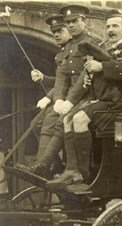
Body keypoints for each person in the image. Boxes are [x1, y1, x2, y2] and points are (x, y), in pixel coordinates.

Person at [46, 9, 122, 189]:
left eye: (115, 26)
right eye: (108, 26)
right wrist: (90, 77)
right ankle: (71, 169)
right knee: (67, 120)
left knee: (79, 119)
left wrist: (102, 66)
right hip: (107, 100)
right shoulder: (107, 48)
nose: (110, 30)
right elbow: (97, 76)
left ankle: (84, 172)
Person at [17, 5, 103, 179]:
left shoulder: (93, 42)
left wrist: (69, 101)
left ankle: (45, 164)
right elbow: (63, 76)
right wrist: (56, 100)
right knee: (44, 120)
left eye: (74, 21)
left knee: (59, 122)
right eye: (68, 22)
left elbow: (85, 76)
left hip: (89, 95)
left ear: (84, 21)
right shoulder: (70, 47)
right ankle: (45, 164)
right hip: (72, 95)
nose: (70, 25)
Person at [30, 15, 72, 172]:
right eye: (53, 31)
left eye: (60, 30)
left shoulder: (74, 51)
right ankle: (56, 164)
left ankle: (42, 164)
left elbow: (72, 83)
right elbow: (61, 81)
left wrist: (49, 97)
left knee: (48, 123)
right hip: (62, 96)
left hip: (72, 99)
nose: (55, 34)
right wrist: (44, 78)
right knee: (35, 124)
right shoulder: (61, 54)